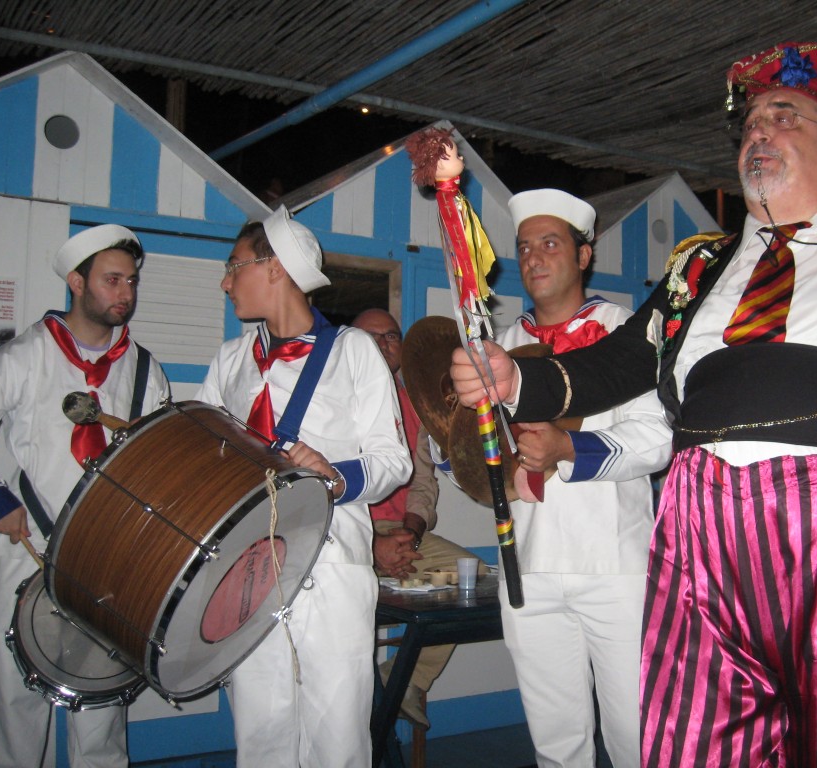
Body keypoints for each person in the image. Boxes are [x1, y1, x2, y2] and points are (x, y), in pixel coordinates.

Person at [451, 41, 817, 767]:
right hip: (702, 523)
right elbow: (620, 362)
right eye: (750, 122)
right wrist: (513, 379)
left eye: (785, 116)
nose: (759, 130)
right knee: (704, 737)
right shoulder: (698, 266)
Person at [196, 208, 411, 768]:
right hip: (247, 572)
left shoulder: (353, 352)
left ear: (274, 268)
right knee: (261, 738)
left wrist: (334, 476)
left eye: (233, 266)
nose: (225, 281)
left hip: (331, 567)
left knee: (337, 742)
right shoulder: (229, 361)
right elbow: (206, 461)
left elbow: (393, 462)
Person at [489, 189, 671, 767]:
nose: (535, 258)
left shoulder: (627, 331)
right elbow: (469, 458)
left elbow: (658, 438)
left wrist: (569, 447)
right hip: (529, 569)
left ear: (584, 255)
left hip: (616, 568)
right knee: (555, 744)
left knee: (638, 737)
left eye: (551, 244)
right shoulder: (500, 350)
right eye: (525, 247)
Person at [0, 225, 169, 768]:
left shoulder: (144, 371)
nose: (126, 293)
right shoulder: (22, 358)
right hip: (23, 557)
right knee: (15, 711)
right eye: (113, 280)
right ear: (76, 282)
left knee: (101, 714)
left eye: (131, 281)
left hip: (104, 564)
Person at [351, 307, 485, 731]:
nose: (382, 344)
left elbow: (424, 480)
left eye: (391, 336)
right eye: (370, 337)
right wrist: (373, 547)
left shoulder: (416, 400)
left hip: (403, 533)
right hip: (348, 536)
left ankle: (404, 679)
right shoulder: (334, 398)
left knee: (471, 579)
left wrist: (411, 530)